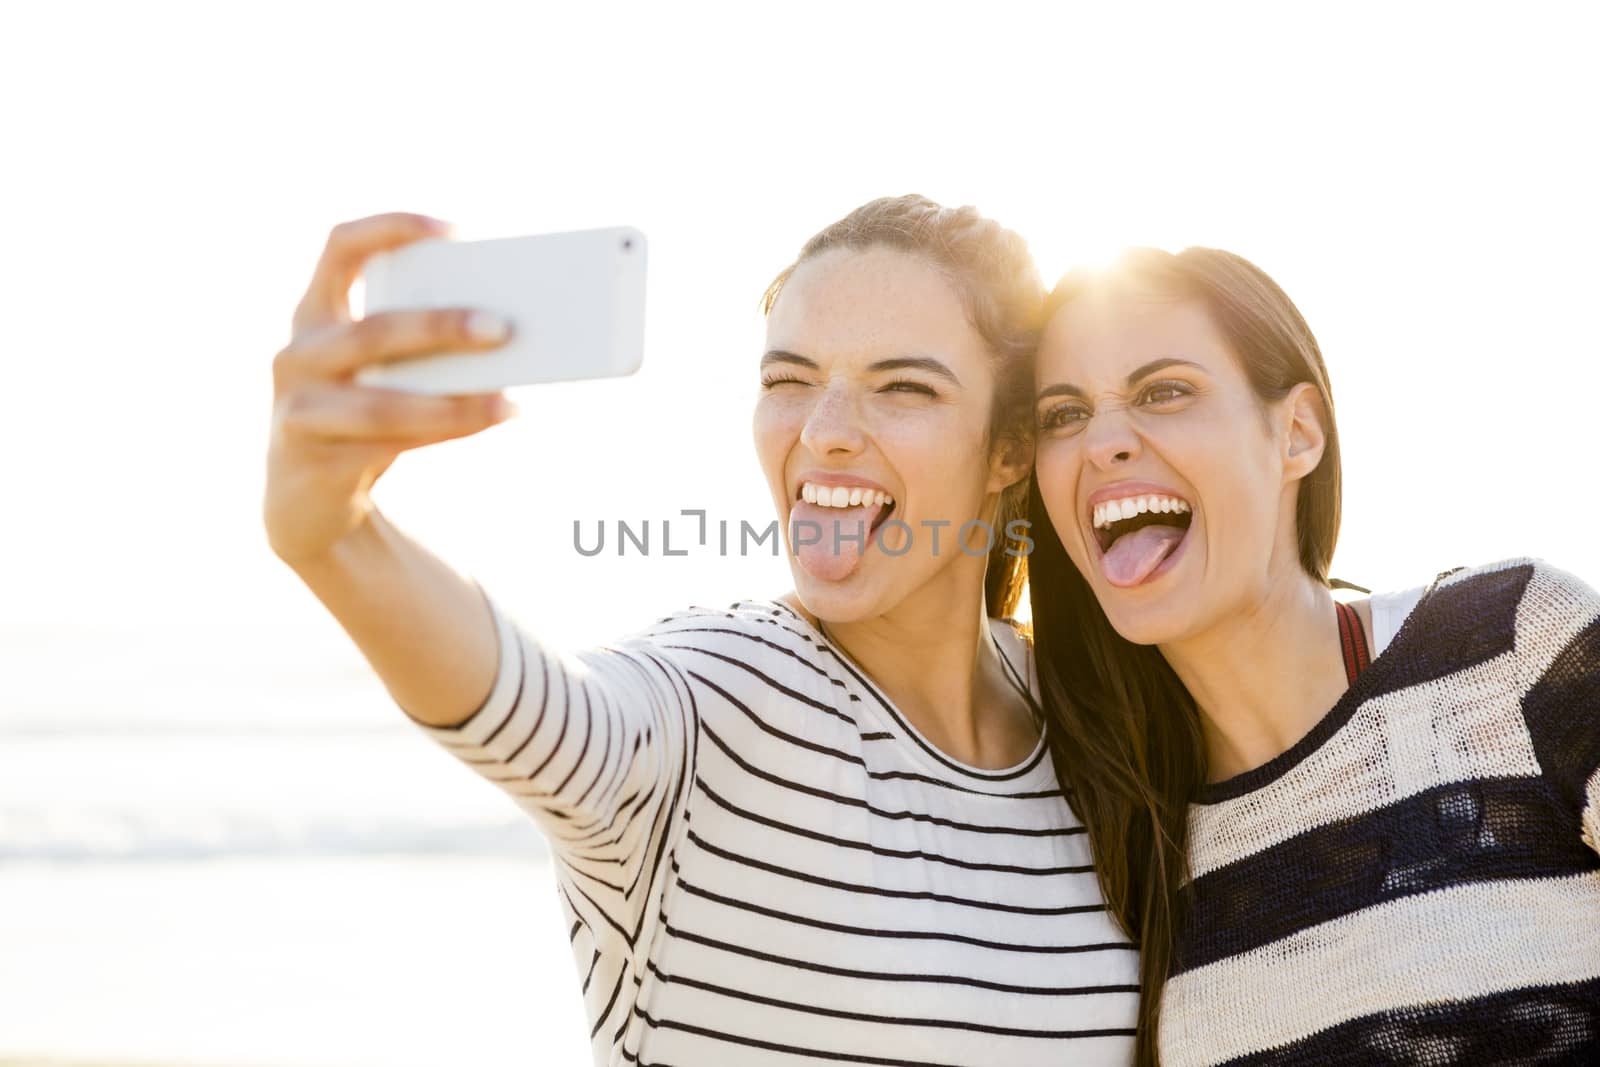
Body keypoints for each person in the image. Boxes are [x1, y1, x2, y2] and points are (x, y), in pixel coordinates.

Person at [264, 196, 1139, 1066]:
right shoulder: (722, 698)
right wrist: (336, 538)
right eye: (788, 381)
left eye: (902, 386)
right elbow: (543, 710)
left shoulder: (1092, 723)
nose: (824, 433)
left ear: (1011, 447)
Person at [1023, 246, 1600, 1066]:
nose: (1103, 441)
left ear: (1296, 434)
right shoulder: (1124, 850)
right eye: (1063, 414)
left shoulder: (1512, 642)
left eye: (1165, 391)